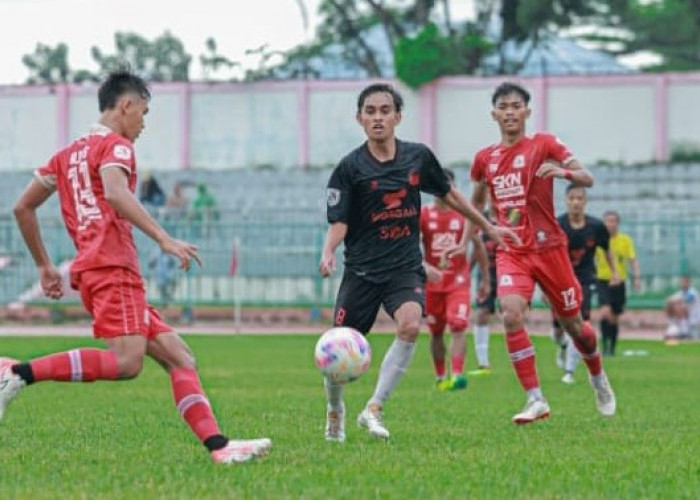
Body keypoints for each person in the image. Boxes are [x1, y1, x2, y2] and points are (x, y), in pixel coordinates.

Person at [0, 67, 271, 464]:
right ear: (126, 105)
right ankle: (17, 372)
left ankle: (220, 448)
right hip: (113, 268)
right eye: (143, 113)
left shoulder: (65, 155)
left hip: (95, 269)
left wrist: (45, 266)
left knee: (180, 357)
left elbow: (22, 207)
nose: (143, 125)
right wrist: (164, 238)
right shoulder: (116, 146)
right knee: (127, 363)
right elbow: (114, 190)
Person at [319, 83, 519, 442]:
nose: (378, 118)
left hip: (404, 267)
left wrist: (487, 224)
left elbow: (449, 193)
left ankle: (374, 408)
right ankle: (335, 409)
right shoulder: (349, 168)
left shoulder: (417, 158)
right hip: (361, 271)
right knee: (338, 349)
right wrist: (328, 250)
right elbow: (340, 221)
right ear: (359, 118)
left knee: (411, 326)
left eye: (385, 111)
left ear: (398, 116)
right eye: (370, 111)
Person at [470, 81, 616, 424]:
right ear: (494, 114)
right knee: (509, 313)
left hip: (550, 249)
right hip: (512, 251)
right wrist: (467, 239)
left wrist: (562, 171)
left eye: (516, 106)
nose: (509, 112)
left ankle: (598, 378)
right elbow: (475, 203)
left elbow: (587, 177)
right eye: (503, 106)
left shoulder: (544, 144)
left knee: (575, 326)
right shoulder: (484, 159)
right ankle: (535, 398)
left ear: (527, 112)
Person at [420, 168, 490, 391]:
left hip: (458, 281)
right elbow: (410, 244)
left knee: (458, 325)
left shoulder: (463, 215)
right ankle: (441, 376)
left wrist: (485, 280)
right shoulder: (423, 215)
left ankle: (457, 374)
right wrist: (423, 267)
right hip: (432, 283)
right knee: (436, 332)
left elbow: (479, 245)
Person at [551, 185, 619, 384]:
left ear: (585, 201)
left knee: (580, 323)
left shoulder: (597, 227)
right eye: (572, 198)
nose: (576, 202)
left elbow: (607, 251)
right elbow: (548, 255)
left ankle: (569, 371)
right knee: (558, 328)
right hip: (560, 280)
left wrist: (614, 273)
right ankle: (562, 345)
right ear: (566, 200)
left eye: (580, 198)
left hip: (585, 279)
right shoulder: (558, 225)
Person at [594, 210, 642, 355]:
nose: (611, 224)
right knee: (604, 312)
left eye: (613, 221)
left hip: (619, 282)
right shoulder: (599, 240)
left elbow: (632, 259)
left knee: (614, 317)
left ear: (618, 223)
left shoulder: (625, 240)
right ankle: (604, 346)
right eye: (608, 221)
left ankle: (611, 348)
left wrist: (636, 277)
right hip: (603, 280)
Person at [469, 205, 499, 376]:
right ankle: (483, 364)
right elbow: (477, 247)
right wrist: (467, 271)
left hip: (507, 270)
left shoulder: (512, 215)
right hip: (485, 271)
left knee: (512, 313)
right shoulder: (480, 217)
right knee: (481, 313)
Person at [664, 275, 700, 342]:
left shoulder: (693, 292)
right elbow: (670, 300)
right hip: (686, 321)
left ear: (688, 283)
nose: (682, 284)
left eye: (684, 282)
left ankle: (687, 334)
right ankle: (675, 329)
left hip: (694, 322)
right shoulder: (680, 293)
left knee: (694, 339)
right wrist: (669, 301)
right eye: (681, 282)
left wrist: (676, 302)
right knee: (671, 305)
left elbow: (687, 299)